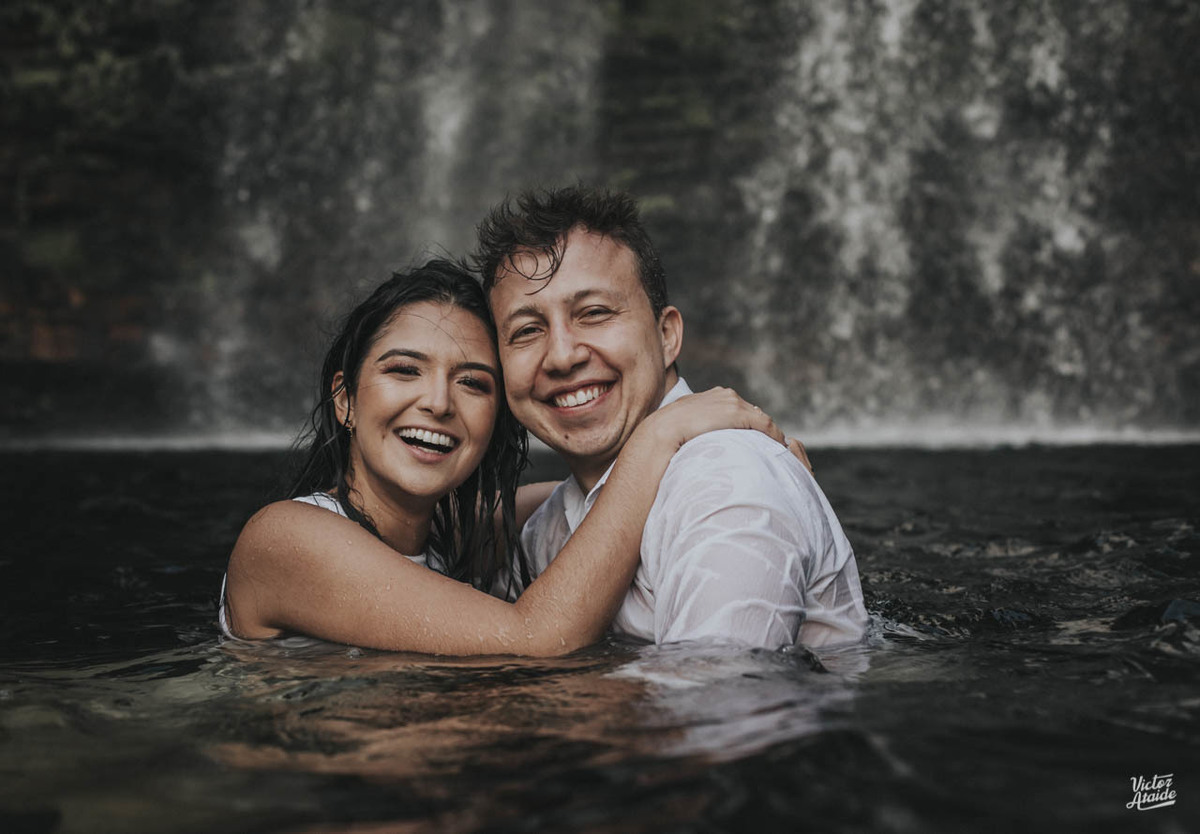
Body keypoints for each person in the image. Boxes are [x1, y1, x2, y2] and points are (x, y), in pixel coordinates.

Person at [220, 259, 787, 656]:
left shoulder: (453, 535)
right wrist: (661, 436)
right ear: (344, 399)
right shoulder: (286, 538)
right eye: (403, 370)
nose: (438, 402)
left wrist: (724, 449)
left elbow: (577, 496)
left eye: (473, 383)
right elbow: (537, 639)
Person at [476, 186, 869, 649]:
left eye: (594, 313)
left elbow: (719, 703)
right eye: (526, 331)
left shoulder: (727, 483)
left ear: (667, 336)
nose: (562, 356)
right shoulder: (553, 524)